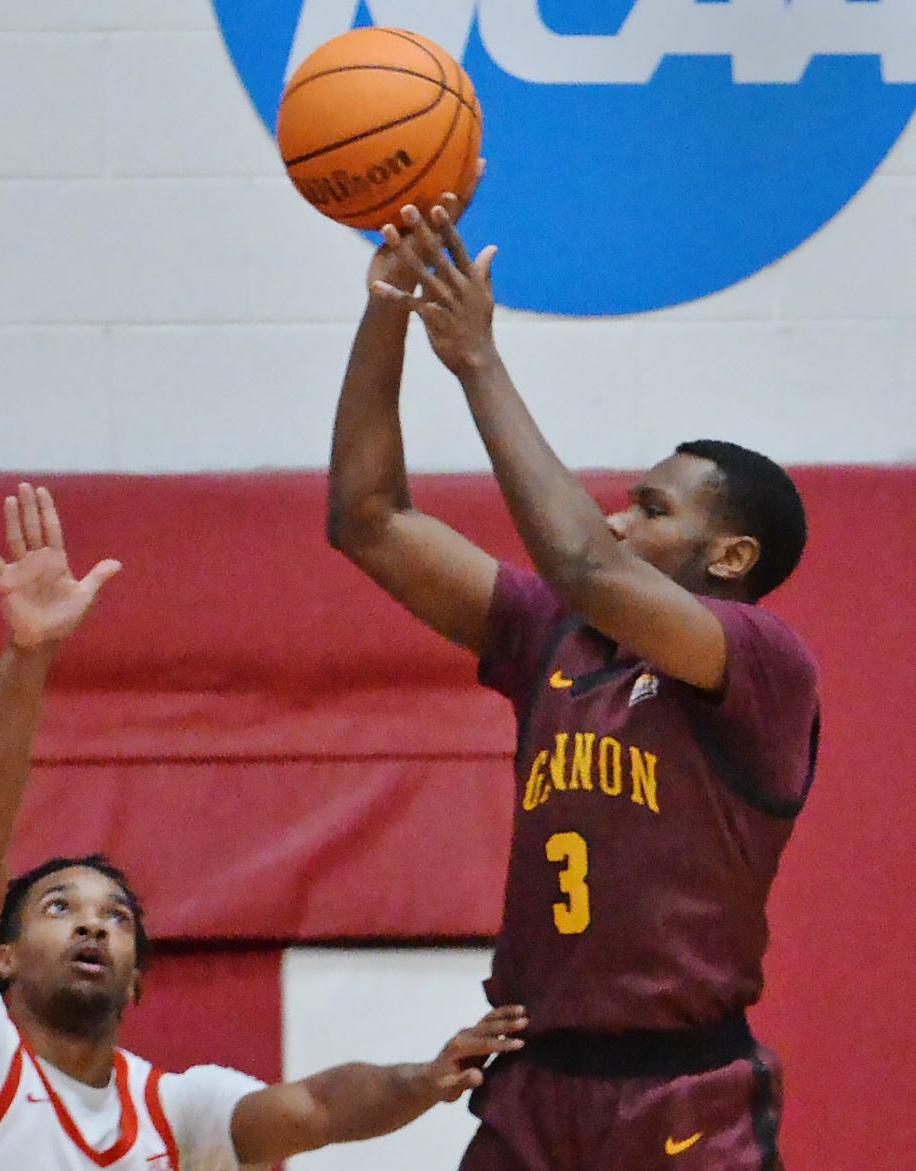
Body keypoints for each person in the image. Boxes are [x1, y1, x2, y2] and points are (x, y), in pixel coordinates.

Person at [327, 197, 820, 1171]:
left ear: (730, 555)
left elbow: (586, 563)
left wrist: (477, 359)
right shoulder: (551, 634)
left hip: (681, 1092)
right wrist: (388, 306)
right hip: (534, 1086)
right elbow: (369, 518)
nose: (620, 518)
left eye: (650, 506)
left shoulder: (763, 659)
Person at [0, 483, 527, 1171]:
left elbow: (316, 1107)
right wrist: (28, 653)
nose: (92, 926)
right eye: (60, 907)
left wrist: (425, 1078)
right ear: (4, 955)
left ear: (137, 975)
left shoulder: (175, 1111)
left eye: (115, 918)